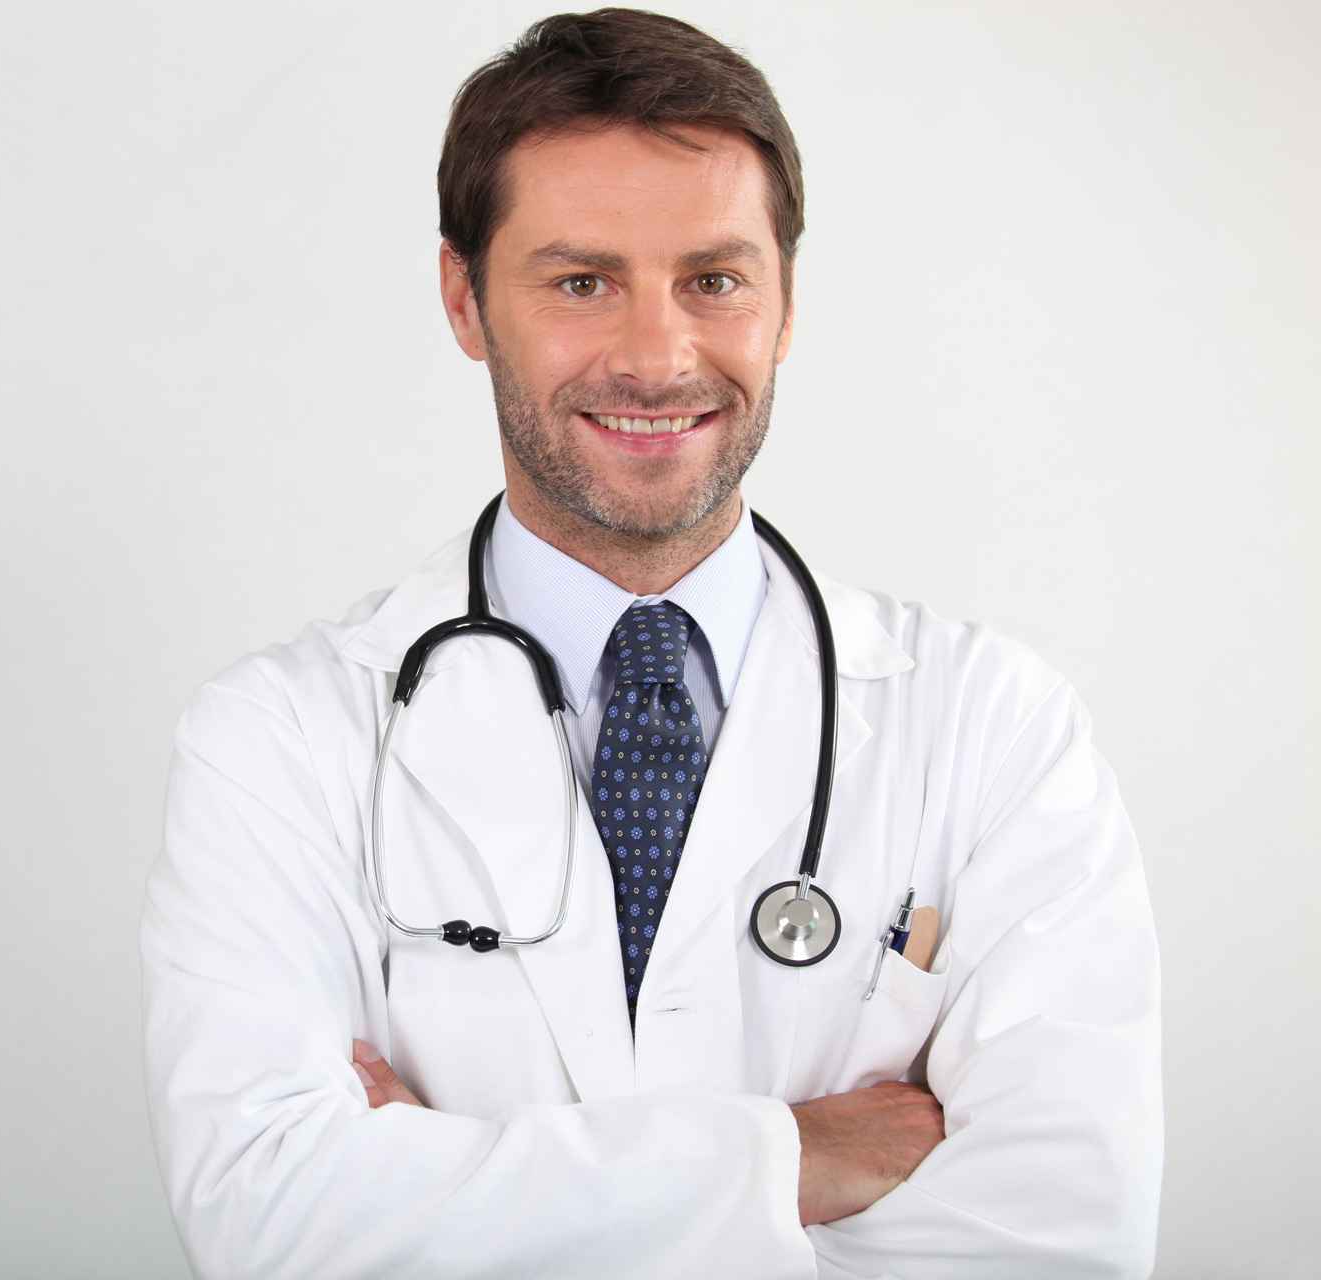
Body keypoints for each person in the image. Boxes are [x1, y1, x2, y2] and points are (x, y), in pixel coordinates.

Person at [138, 9, 1163, 1277]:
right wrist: (794, 1157)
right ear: (465, 299)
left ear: (785, 302)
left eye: (713, 280)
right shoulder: (280, 739)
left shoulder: (994, 726)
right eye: (582, 282)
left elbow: (1063, 1239)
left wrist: (445, 1190)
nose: (656, 356)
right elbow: (270, 1219)